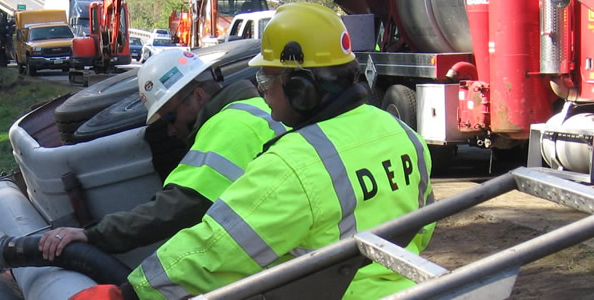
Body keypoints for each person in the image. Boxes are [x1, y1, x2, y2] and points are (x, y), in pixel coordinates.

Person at [125, 3, 436, 299]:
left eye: (267, 77)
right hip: (411, 288)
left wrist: (136, 289)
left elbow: (214, 250)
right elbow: (422, 228)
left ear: (301, 87)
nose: (261, 89)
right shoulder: (405, 134)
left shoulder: (293, 163)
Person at [39, 49, 289, 261]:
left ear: (198, 96)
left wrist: (93, 235)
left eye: (169, 117)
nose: (170, 131)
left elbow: (175, 208)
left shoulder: (226, 126)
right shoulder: (257, 108)